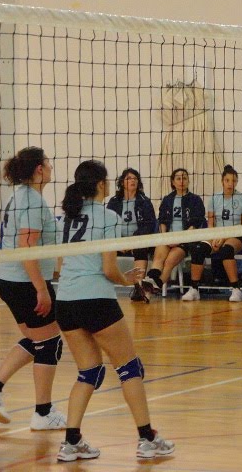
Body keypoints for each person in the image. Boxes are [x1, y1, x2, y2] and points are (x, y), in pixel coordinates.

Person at [53, 160, 175, 462]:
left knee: (89, 371)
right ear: (99, 184)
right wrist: (127, 280)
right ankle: (147, 439)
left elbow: (59, 266)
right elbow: (108, 269)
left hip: (65, 301)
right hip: (96, 300)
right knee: (129, 368)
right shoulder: (108, 216)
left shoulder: (66, 218)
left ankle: (71, 442)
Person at [0, 147, 66, 430]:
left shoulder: (22, 195)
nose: (51, 167)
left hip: (11, 279)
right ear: (39, 169)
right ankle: (43, 413)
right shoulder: (32, 201)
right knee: (51, 343)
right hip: (24, 282)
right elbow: (26, 247)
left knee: (38, 340)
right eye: (48, 163)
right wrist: (41, 289)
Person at [140, 169, 209, 300]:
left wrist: (179, 240)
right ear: (173, 182)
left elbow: (195, 224)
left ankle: (153, 286)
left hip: (186, 240)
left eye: (184, 178)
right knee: (158, 257)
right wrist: (165, 237)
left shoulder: (195, 200)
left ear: (188, 181)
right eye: (178, 178)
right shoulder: (167, 200)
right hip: (168, 238)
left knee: (170, 260)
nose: (181, 181)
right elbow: (162, 221)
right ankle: (151, 283)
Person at [105, 168, 156, 303]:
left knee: (140, 248)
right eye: (129, 178)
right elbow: (109, 223)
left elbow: (149, 225)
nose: (132, 181)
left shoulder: (144, 201)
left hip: (137, 240)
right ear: (122, 182)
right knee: (103, 249)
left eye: (135, 178)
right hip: (118, 240)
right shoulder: (114, 201)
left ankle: (139, 287)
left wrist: (133, 241)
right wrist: (119, 241)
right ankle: (102, 287)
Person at [204, 165, 242, 302]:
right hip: (217, 235)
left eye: (234, 181)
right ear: (222, 181)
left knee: (226, 250)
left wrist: (223, 237)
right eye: (227, 180)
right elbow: (210, 224)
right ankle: (194, 288)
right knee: (199, 248)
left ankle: (236, 289)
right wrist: (214, 237)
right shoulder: (214, 199)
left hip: (238, 235)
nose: (230, 184)